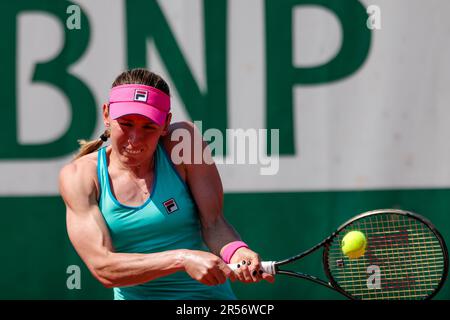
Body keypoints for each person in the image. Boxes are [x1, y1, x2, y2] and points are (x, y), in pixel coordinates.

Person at [59, 68, 274, 300]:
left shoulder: (184, 142)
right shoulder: (79, 176)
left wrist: (237, 252)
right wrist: (182, 259)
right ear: (106, 114)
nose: (134, 138)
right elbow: (104, 267)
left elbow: (213, 223)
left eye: (148, 127)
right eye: (126, 123)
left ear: (165, 124)